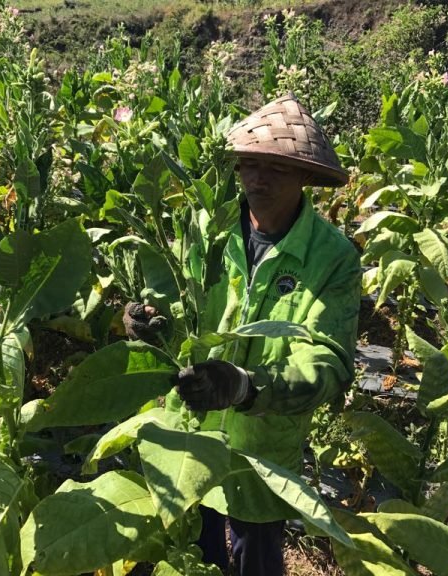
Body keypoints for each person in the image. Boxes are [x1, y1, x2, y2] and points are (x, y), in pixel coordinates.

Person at [124, 93, 361, 576]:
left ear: (305, 177)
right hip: (192, 429)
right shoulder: (207, 230)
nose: (258, 179)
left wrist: (249, 386)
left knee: (256, 557)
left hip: (262, 440)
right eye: (248, 165)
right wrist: (151, 326)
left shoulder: (332, 256)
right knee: (196, 551)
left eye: (276, 168)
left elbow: (330, 362)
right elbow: (181, 310)